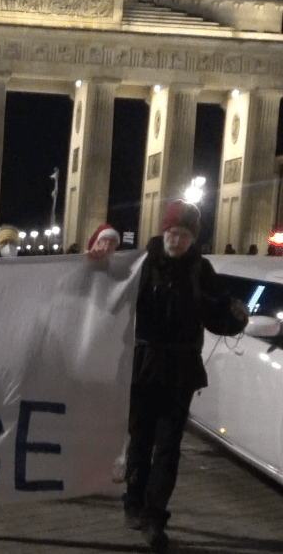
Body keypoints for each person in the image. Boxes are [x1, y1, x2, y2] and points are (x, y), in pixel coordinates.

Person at [121, 200, 246, 552]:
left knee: (168, 448)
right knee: (140, 441)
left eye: (185, 236)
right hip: (143, 368)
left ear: (193, 239)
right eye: (173, 233)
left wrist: (235, 319)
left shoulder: (201, 269)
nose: (177, 241)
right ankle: (133, 500)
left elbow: (217, 314)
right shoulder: (141, 264)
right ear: (163, 232)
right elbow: (110, 298)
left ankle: (154, 517)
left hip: (180, 373)